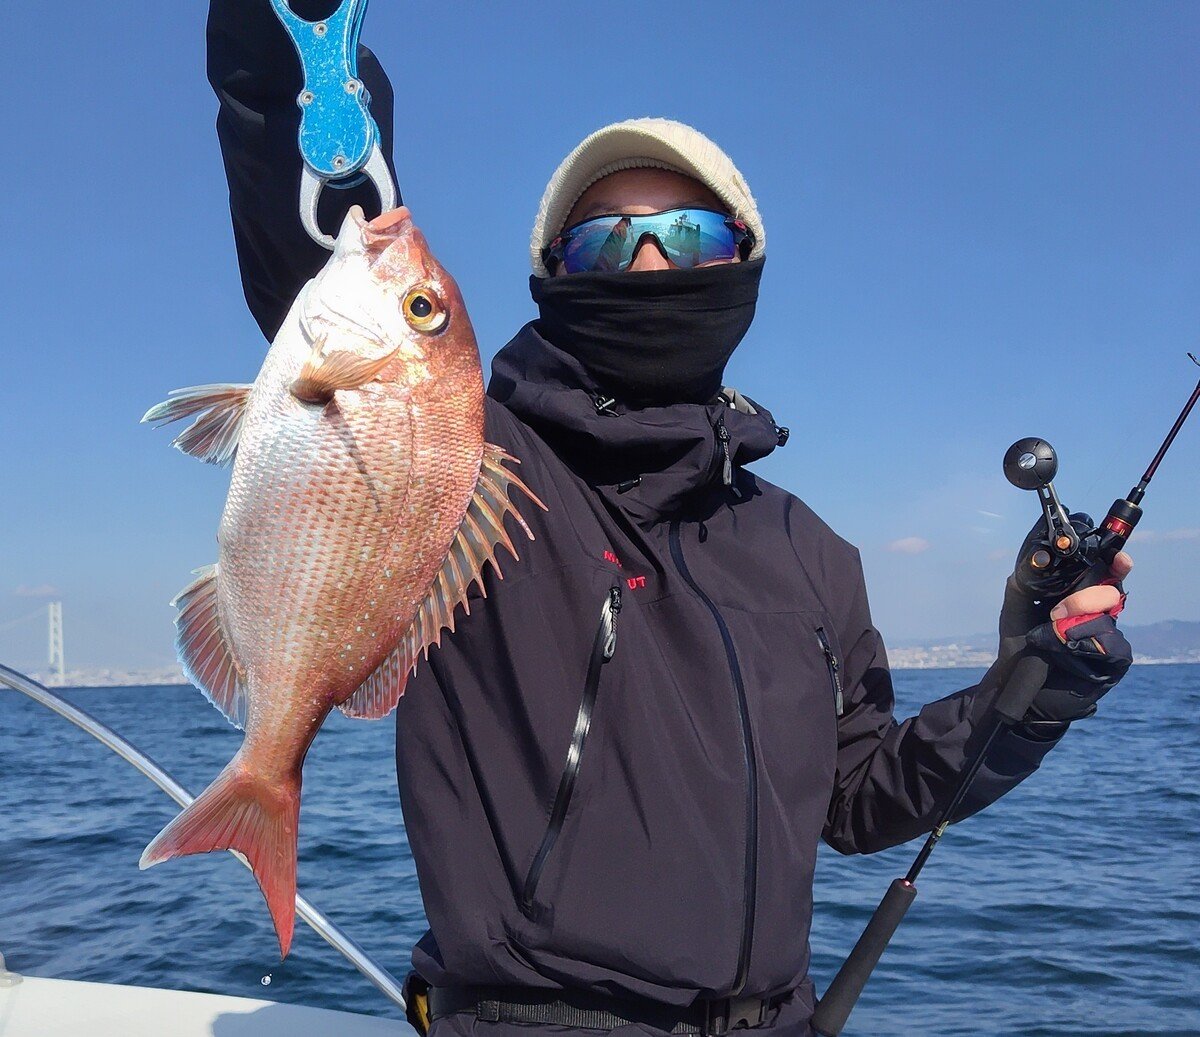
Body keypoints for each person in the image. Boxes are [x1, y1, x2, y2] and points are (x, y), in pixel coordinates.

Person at [206, 5, 1134, 1035]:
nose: (649, 262)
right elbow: (321, 251)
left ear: (743, 267)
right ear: (556, 276)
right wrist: (293, 50)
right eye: (605, 239)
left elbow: (859, 796)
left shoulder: (810, 550)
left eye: (689, 235)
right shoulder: (472, 460)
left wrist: (1028, 686)